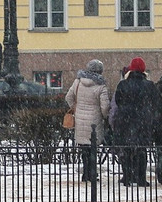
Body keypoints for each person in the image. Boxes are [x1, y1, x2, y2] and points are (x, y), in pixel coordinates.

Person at [111, 56, 158, 186]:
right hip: (143, 121)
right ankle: (141, 178)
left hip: (125, 121)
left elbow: (118, 101)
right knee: (141, 150)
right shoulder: (149, 85)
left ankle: (127, 177)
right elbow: (155, 103)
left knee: (126, 149)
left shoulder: (123, 84)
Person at [66, 59, 109, 181]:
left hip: (80, 119)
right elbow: (105, 106)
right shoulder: (101, 86)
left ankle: (85, 173)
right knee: (93, 149)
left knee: (84, 149)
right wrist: (104, 116)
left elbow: (68, 97)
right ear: (100, 71)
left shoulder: (78, 82)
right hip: (94, 121)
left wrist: (75, 108)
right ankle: (92, 173)